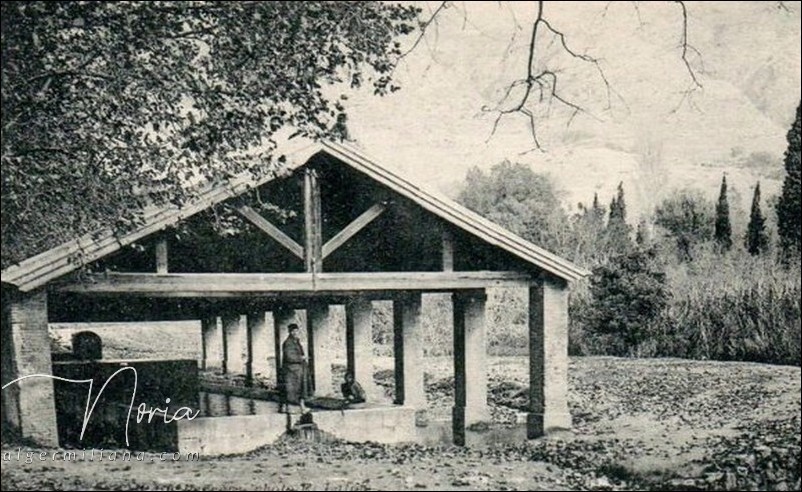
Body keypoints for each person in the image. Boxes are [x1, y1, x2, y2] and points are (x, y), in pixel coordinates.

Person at [280, 323, 310, 413]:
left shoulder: (296, 341)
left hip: (298, 370)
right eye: (293, 331)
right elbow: (289, 357)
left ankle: (302, 407)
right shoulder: (288, 343)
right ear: (290, 332)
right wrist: (301, 358)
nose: (295, 332)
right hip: (292, 371)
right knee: (291, 390)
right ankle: (289, 408)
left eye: (296, 331)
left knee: (300, 389)